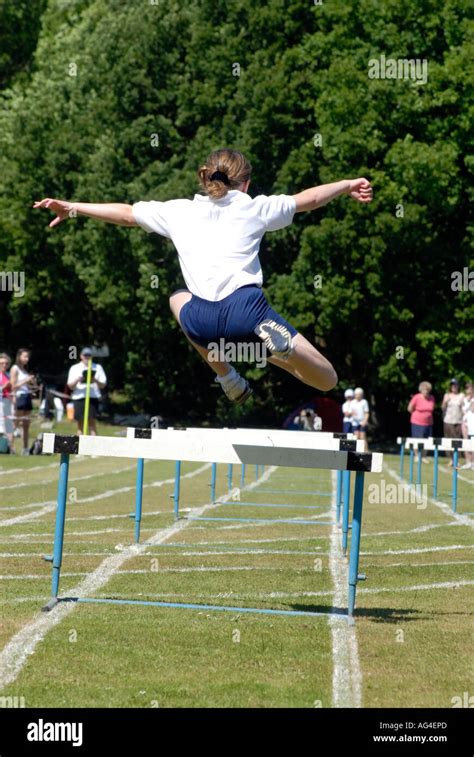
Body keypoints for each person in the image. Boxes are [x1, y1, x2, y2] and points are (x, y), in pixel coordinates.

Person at [34, 148, 373, 404]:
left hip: (202, 323)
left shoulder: (179, 211)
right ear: (246, 183)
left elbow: (125, 214)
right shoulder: (254, 206)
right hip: (245, 311)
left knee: (176, 297)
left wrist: (73, 207)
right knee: (327, 379)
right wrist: (346, 184)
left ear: (205, 178)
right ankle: (280, 348)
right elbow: (309, 199)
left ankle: (228, 377)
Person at [67, 348, 107, 435]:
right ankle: (79, 445)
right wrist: (78, 379)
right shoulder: (75, 368)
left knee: (92, 423)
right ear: (81, 356)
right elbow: (70, 385)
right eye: (85, 355)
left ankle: (93, 445)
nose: (87, 357)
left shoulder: (98, 367)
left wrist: (94, 379)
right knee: (80, 423)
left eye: (89, 355)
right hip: (79, 397)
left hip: (92, 397)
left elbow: (103, 384)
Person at [10, 348, 38, 455]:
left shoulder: (24, 370)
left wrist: (32, 386)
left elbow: (28, 386)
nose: (27, 359)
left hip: (27, 397)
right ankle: (11, 447)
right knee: (16, 423)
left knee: (26, 424)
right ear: (19, 356)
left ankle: (25, 448)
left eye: (28, 357)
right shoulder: (15, 368)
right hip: (19, 397)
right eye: (25, 356)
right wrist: (26, 380)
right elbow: (13, 386)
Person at [407, 381, 435, 461]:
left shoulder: (432, 398)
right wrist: (417, 414)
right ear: (421, 389)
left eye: (427, 389)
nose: (425, 391)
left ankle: (423, 456)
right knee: (417, 439)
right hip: (417, 422)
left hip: (428, 423)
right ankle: (416, 456)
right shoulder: (417, 397)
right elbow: (409, 408)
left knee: (427, 440)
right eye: (424, 389)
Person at [441, 378, 464, 465]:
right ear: (450, 387)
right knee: (448, 440)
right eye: (452, 385)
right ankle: (450, 459)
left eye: (455, 385)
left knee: (457, 440)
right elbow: (443, 408)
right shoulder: (447, 395)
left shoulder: (461, 395)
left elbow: (463, 409)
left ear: (458, 386)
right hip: (448, 420)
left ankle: (456, 459)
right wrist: (445, 402)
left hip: (458, 421)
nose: (454, 387)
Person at [0, 353, 14, 452]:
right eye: (2, 363)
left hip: (8, 402)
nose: (4, 365)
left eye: (6, 363)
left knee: (9, 425)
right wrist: (5, 386)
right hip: (1, 402)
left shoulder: (9, 375)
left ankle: (9, 447)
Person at [461, 381, 473, 469]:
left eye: (469, 388)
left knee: (473, 442)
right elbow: (463, 411)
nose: (467, 390)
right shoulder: (464, 399)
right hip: (465, 422)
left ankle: (473, 462)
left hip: (473, 422)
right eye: (466, 388)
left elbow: (472, 409)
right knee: (466, 442)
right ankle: (468, 461)